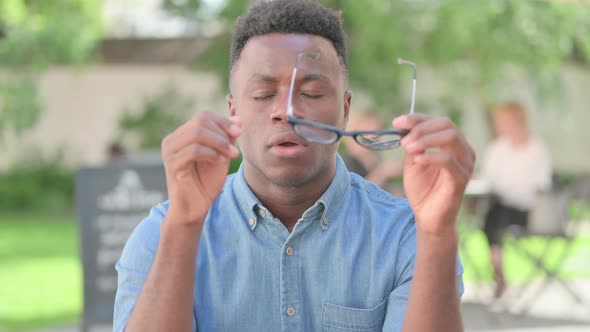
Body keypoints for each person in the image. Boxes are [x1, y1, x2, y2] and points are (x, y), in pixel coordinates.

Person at [113, 1, 475, 331]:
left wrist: (438, 234)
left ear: (345, 110)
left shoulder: (406, 236)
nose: (286, 112)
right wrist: (184, 225)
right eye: (263, 94)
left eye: (312, 93)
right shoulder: (161, 236)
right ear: (233, 110)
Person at [481, 101, 552, 298]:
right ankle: (498, 272)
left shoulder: (537, 149)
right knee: (494, 216)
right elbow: (489, 180)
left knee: (494, 217)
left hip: (528, 211)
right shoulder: (496, 149)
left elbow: (542, 185)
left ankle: (498, 275)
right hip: (500, 207)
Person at [341, 110, 404, 189]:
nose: (375, 134)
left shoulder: (372, 159)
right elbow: (356, 193)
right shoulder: (346, 163)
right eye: (369, 128)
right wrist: (383, 172)